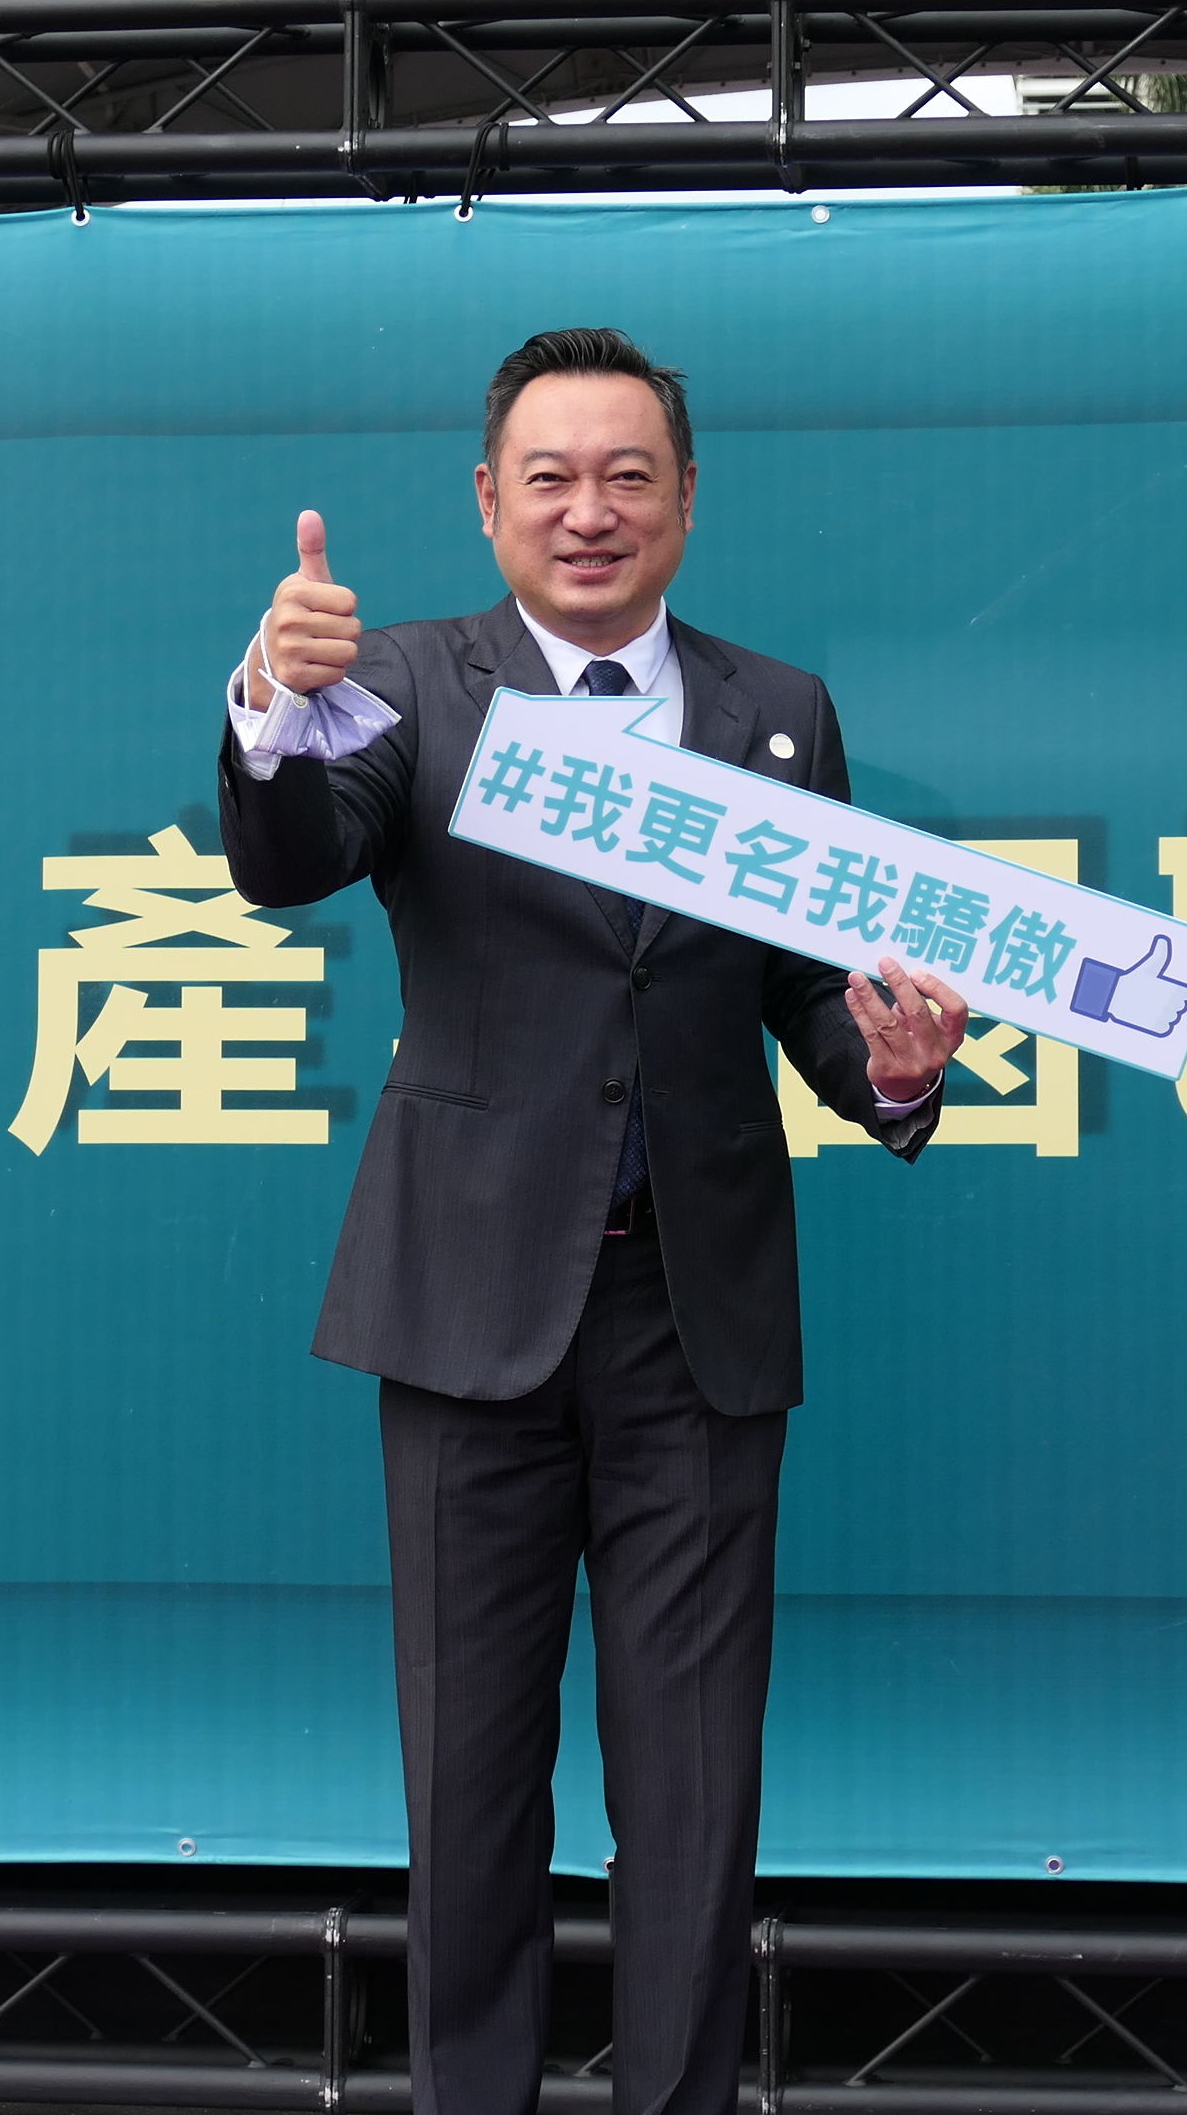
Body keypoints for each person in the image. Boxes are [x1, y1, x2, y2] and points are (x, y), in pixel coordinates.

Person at [216, 327, 969, 2115]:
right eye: (550, 477)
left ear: (687, 500)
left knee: (695, 1793)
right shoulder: (406, 681)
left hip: (693, 1325)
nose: (590, 510)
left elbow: (806, 987)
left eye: (629, 475)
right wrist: (267, 702)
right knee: (469, 1782)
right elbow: (289, 859)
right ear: (488, 502)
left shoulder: (779, 711)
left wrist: (893, 1068)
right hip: (466, 1308)